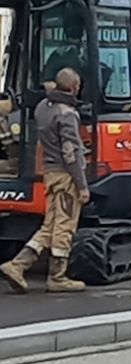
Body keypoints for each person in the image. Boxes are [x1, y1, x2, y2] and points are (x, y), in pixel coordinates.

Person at [0, 68, 89, 293]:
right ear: (75, 88)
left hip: (49, 173)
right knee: (64, 226)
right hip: (66, 175)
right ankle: (57, 276)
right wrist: (82, 185)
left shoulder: (43, 108)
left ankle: (17, 266)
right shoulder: (68, 114)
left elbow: (51, 95)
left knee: (49, 225)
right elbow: (71, 153)